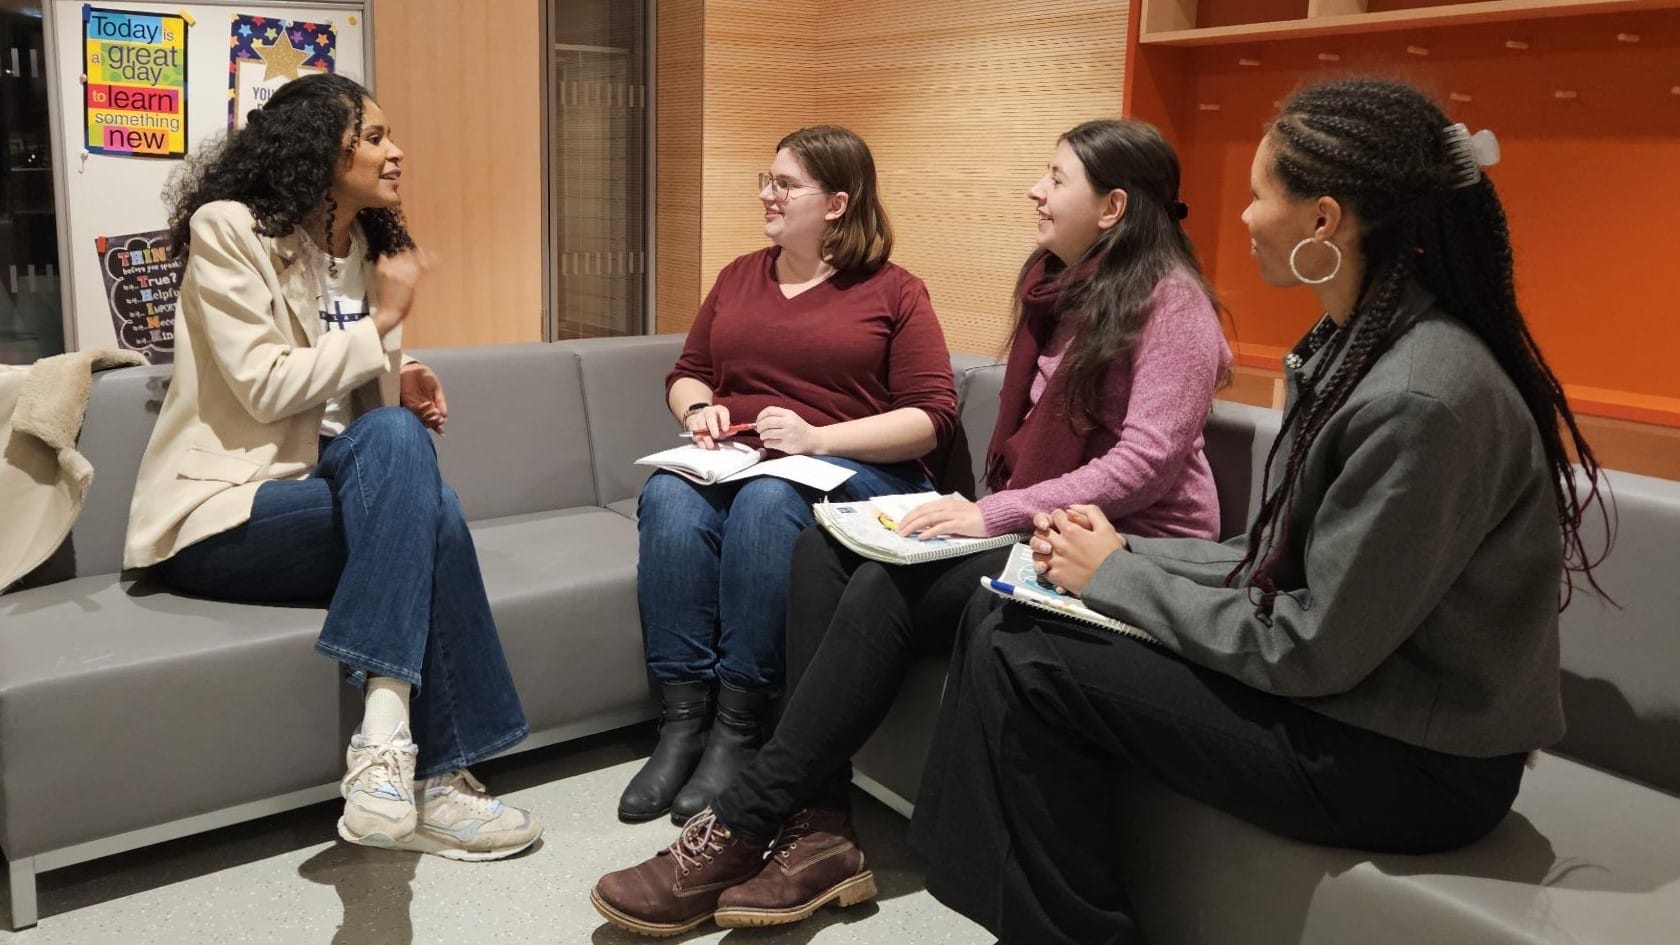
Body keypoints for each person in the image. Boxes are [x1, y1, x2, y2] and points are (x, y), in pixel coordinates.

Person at [908, 77, 1612, 945]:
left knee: (1029, 654)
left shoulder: (1424, 396)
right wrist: (1123, 551)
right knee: (1002, 608)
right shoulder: (1363, 351)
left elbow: (1312, 644)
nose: (1240, 217)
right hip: (1362, 706)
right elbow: (1275, 556)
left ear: (1323, 221)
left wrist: (1121, 576)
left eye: (1257, 194)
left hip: (1416, 760)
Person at [593, 118, 1231, 937]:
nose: (1036, 190)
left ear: (1111, 207)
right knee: (824, 546)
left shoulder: (1171, 303)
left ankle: (746, 818)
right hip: (1038, 523)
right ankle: (820, 828)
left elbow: (1141, 465)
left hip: (1122, 546)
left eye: (1055, 177)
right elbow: (690, 370)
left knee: (881, 580)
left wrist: (986, 510)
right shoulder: (1054, 287)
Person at [126, 74, 541, 861]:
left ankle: (387, 755)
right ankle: (438, 781)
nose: (397, 152)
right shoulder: (230, 231)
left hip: (325, 498)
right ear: (320, 146)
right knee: (438, 517)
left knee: (396, 440)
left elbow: (344, 384)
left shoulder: (361, 251)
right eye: (376, 137)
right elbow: (263, 381)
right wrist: (386, 323)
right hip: (227, 510)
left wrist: (399, 363)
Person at [618, 125, 961, 825]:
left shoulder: (894, 291)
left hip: (855, 472)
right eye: (765, 181)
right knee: (671, 496)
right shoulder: (741, 275)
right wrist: (703, 410)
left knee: (770, 500)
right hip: (743, 460)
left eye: (786, 184)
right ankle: (683, 720)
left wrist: (820, 437)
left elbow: (931, 417)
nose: (768, 196)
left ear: (836, 203)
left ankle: (743, 726)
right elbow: (687, 374)